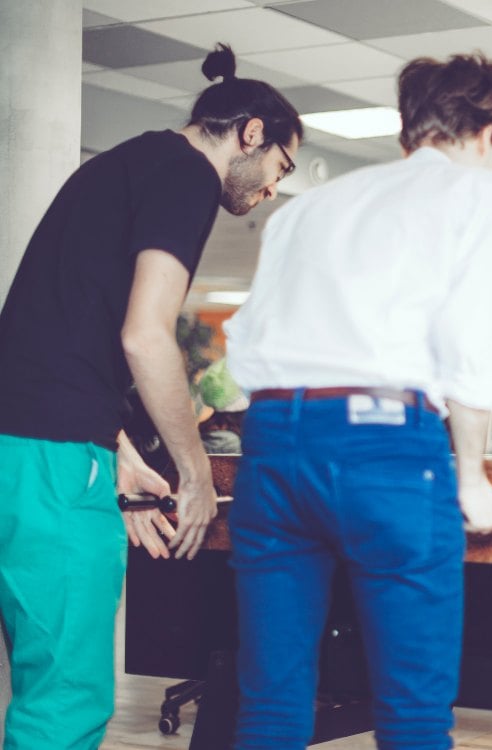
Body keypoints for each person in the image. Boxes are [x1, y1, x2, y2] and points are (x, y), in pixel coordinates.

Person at [223, 52, 492, 750]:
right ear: (487, 133)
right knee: (413, 714)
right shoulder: (487, 193)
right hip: (385, 447)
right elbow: (473, 339)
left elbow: (247, 343)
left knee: (269, 708)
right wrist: (473, 477)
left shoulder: (308, 209)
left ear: (407, 132)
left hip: (273, 443)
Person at [0, 43, 300, 749]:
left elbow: (57, 336)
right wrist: (193, 473)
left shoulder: (120, 163)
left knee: (40, 684)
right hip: (50, 466)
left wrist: (118, 446)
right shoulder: (188, 175)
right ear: (251, 132)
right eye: (279, 169)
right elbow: (146, 335)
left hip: (23, 445)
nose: (271, 191)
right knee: (64, 700)